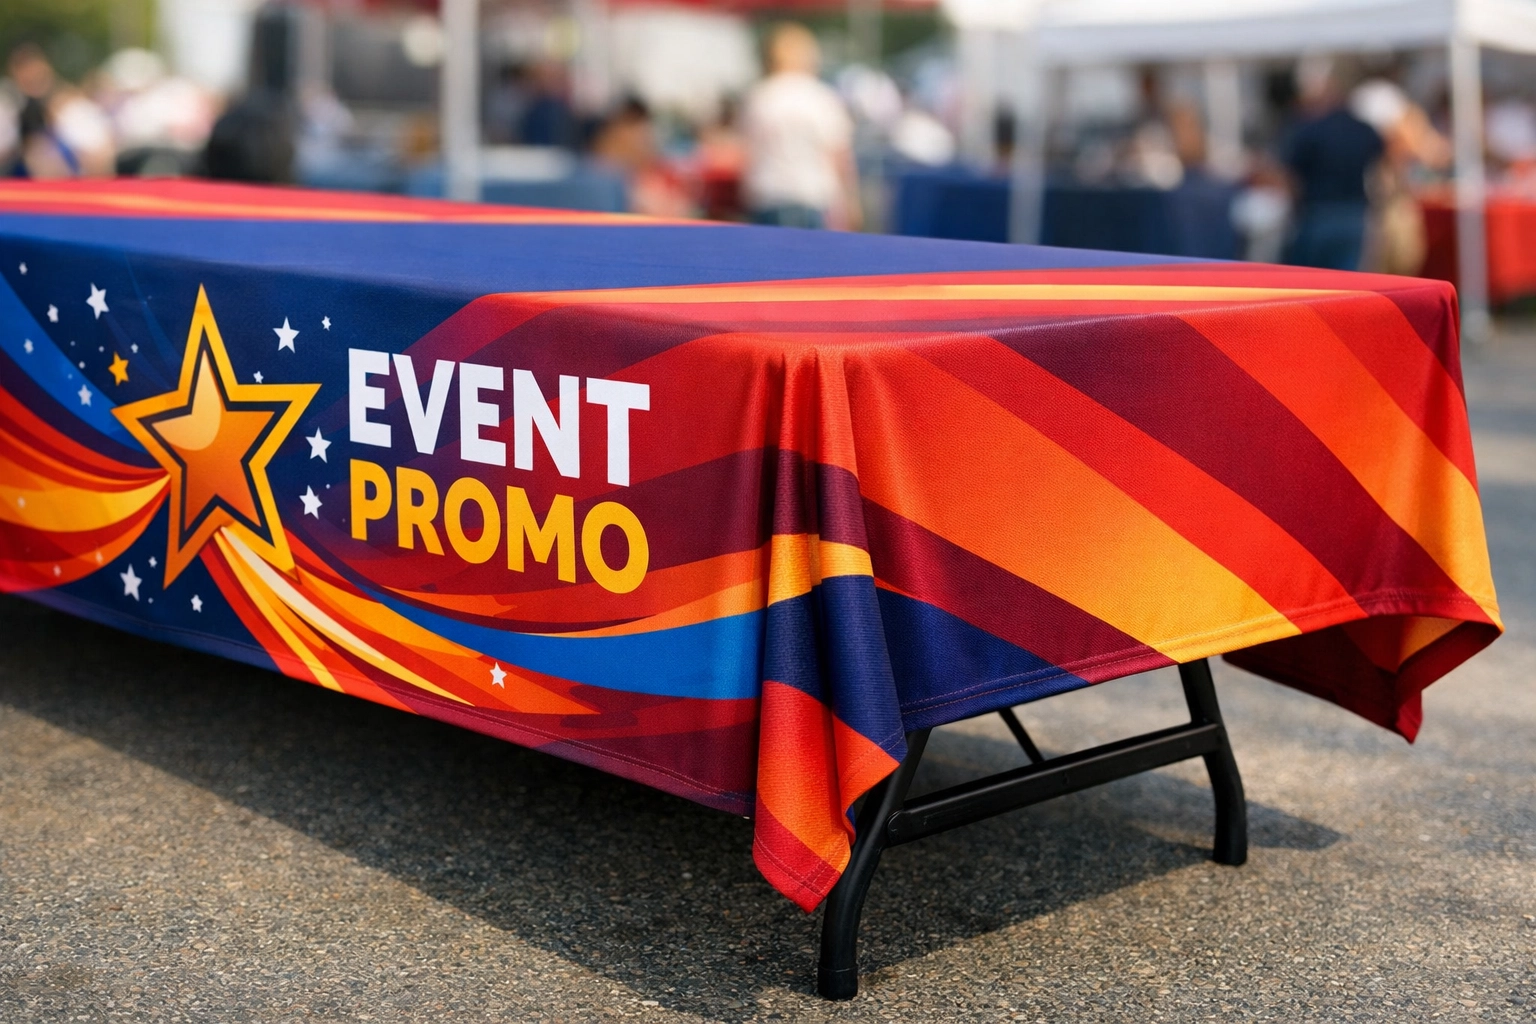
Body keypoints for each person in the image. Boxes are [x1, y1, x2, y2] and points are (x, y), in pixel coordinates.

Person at [741, 23, 860, 230]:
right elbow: (839, 155)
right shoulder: (820, 96)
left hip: (767, 196)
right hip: (810, 197)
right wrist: (851, 202)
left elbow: (746, 149)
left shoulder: (759, 96)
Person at [1280, 57, 1383, 271]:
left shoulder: (1310, 130)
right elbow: (1381, 166)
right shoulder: (1362, 128)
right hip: (1354, 214)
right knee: (1348, 284)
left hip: (1320, 213)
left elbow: (1291, 177)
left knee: (1312, 284)